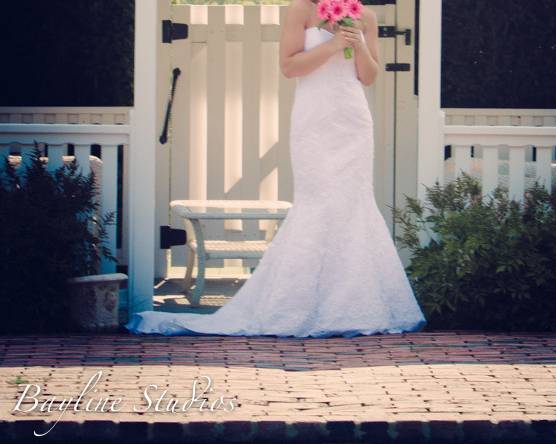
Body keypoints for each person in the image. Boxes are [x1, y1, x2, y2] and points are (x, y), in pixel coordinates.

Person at [124, 0, 426, 338]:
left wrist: (356, 44)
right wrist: (334, 44)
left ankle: (351, 304)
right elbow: (289, 66)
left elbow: (368, 76)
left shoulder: (365, 16)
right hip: (314, 117)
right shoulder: (300, 11)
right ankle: (300, 303)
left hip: (352, 119)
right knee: (318, 200)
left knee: (353, 201)